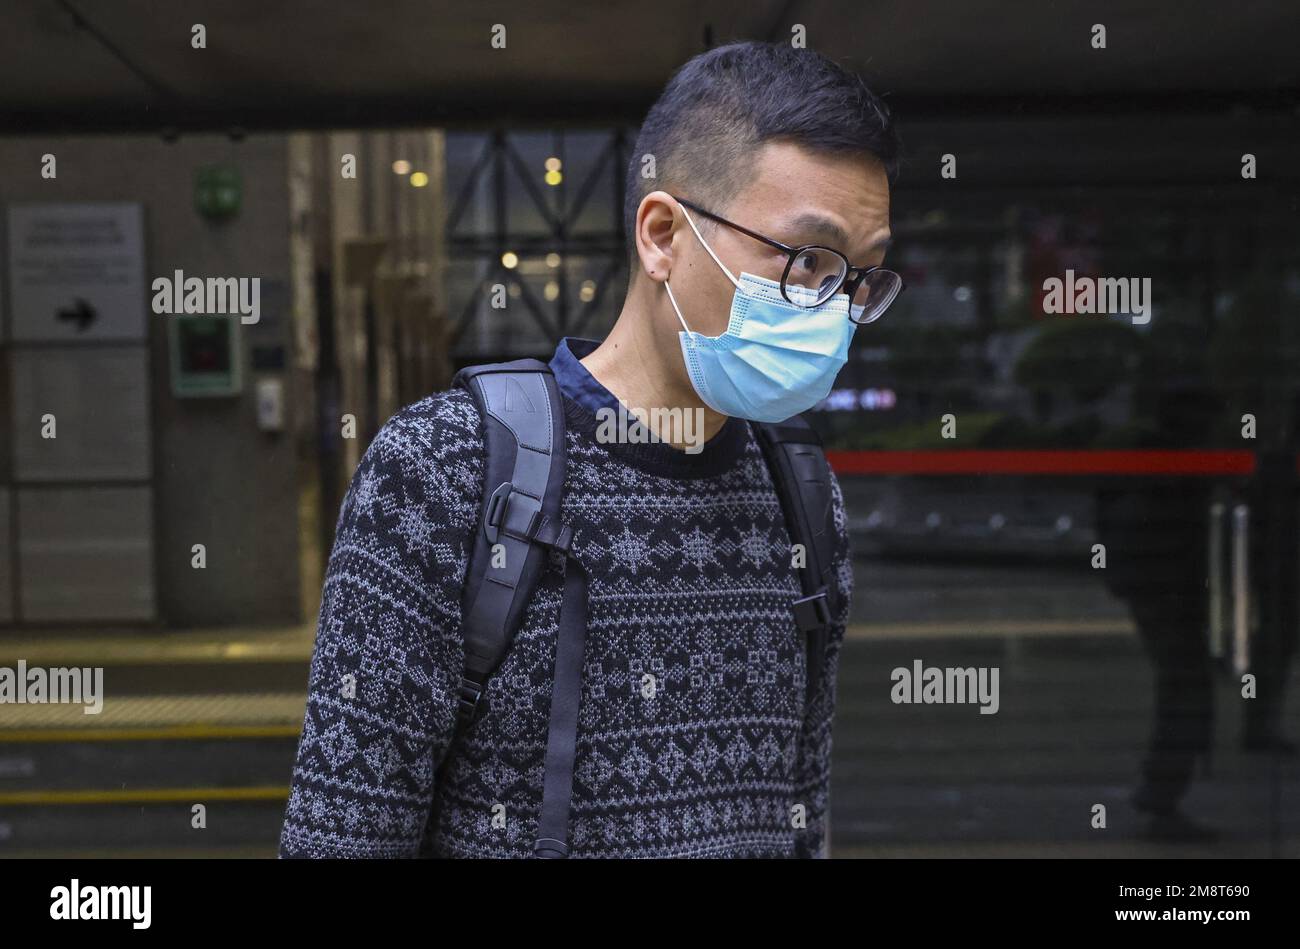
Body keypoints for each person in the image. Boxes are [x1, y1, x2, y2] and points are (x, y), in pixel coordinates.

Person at [278, 40, 903, 857]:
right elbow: (342, 840)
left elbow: (800, 823)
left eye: (859, 278)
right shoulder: (444, 471)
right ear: (662, 236)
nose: (832, 308)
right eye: (806, 261)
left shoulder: (803, 495)